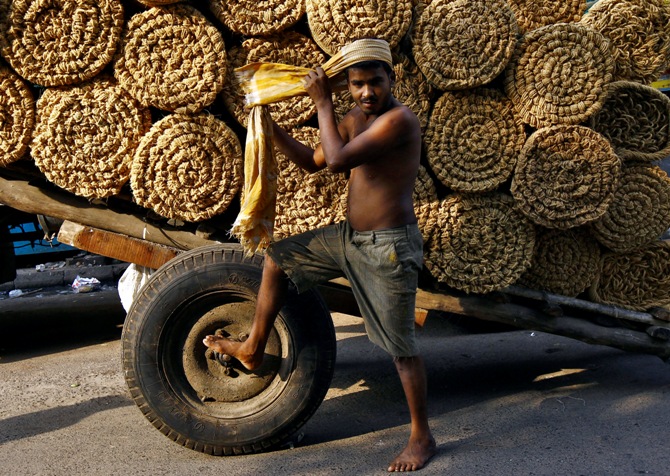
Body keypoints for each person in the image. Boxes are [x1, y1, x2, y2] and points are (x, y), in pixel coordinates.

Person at [204, 46, 436, 472]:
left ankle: (422, 437)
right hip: (349, 239)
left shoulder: (399, 120)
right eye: (357, 83)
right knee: (277, 259)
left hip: (387, 247)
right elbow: (313, 162)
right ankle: (253, 347)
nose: (367, 92)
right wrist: (270, 129)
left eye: (375, 82)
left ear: (392, 78)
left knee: (401, 349)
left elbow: (336, 160)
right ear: (347, 84)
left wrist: (322, 103)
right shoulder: (353, 118)